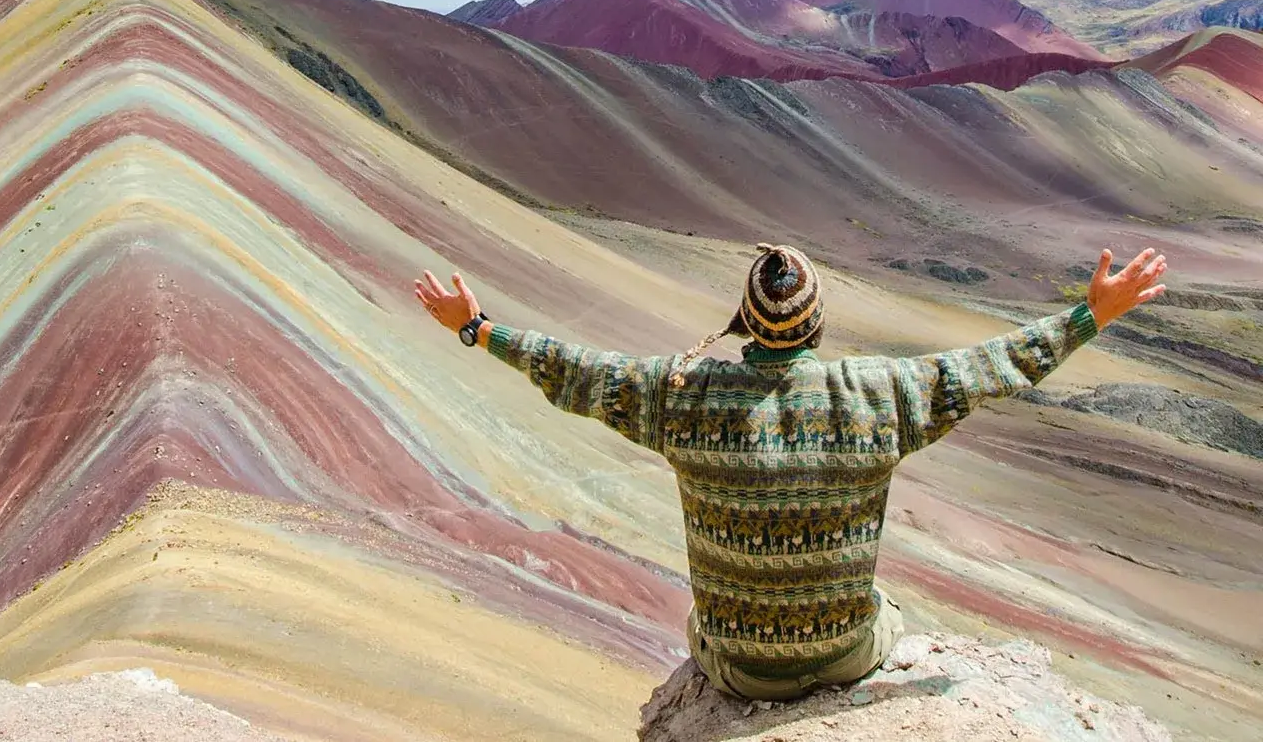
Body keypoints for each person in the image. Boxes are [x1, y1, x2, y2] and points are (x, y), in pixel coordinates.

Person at [413, 243, 1167, 702]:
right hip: (847, 657)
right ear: (816, 325)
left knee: (700, 619)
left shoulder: (684, 398)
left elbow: (575, 369)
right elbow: (988, 367)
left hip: (735, 667)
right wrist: (1088, 315)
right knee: (884, 603)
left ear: (743, 321)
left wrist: (477, 328)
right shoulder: (877, 395)